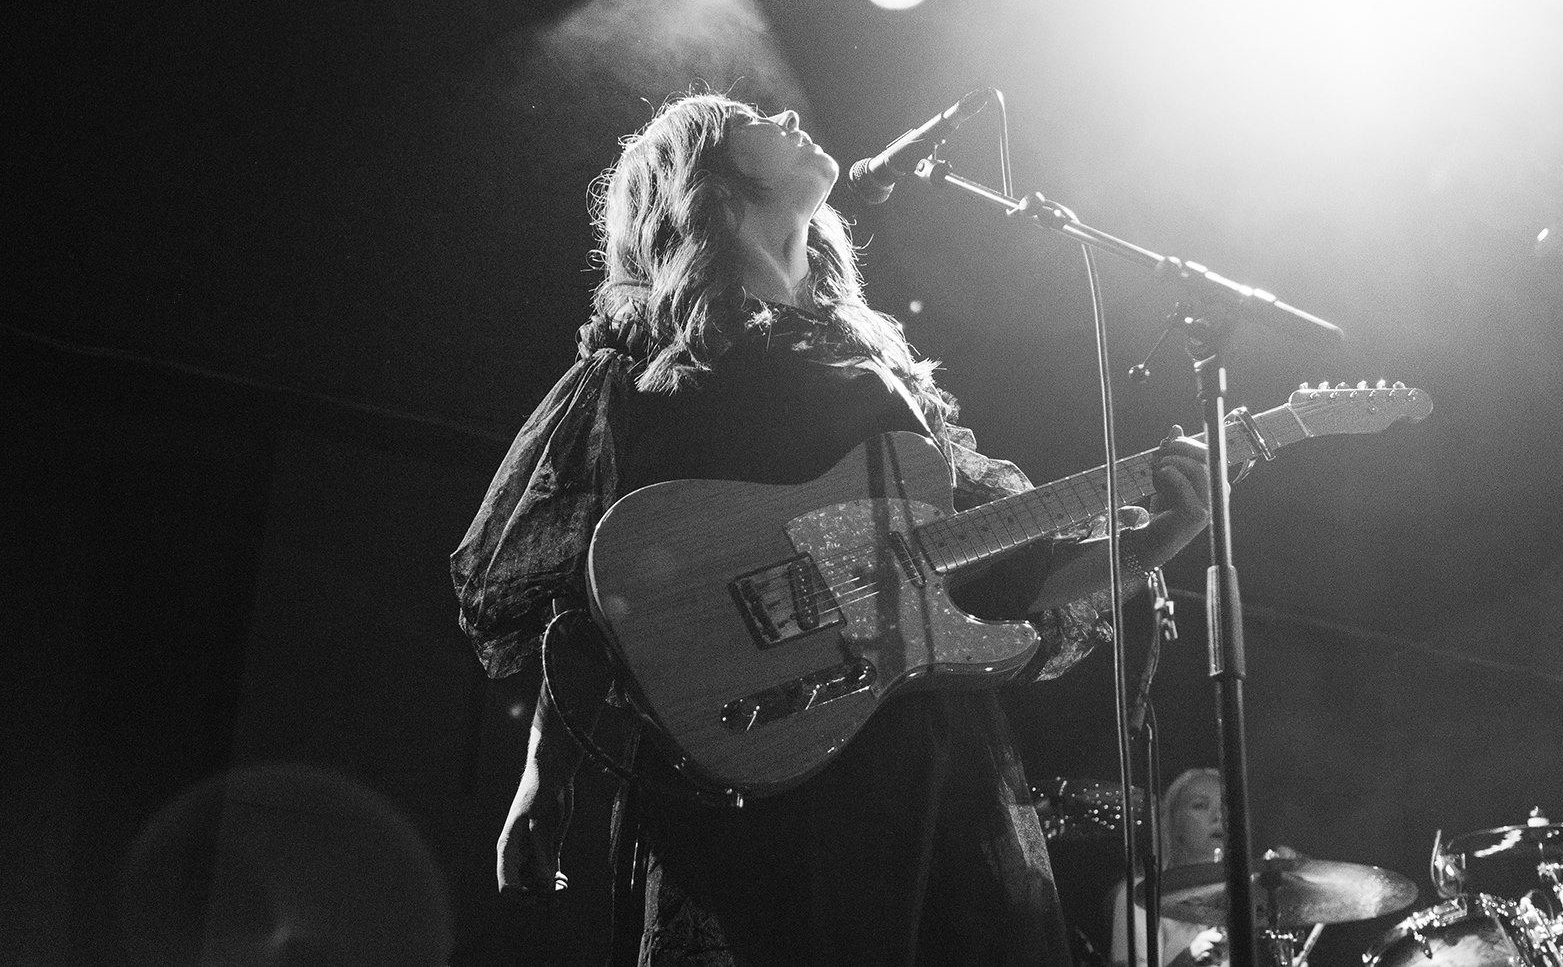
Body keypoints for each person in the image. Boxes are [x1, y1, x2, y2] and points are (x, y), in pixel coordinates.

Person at [451, 91, 1215, 967]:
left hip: (929, 754)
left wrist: (1153, 542)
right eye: (749, 119)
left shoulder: (872, 359)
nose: (782, 112)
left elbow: (990, 572)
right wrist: (544, 787)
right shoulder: (643, 367)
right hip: (767, 769)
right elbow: (583, 600)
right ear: (710, 183)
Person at [1107, 768, 1229, 967]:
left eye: (1225, 806)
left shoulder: (1247, 895)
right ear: (1175, 822)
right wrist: (1188, 959)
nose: (1218, 817)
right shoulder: (1141, 895)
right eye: (1200, 805)